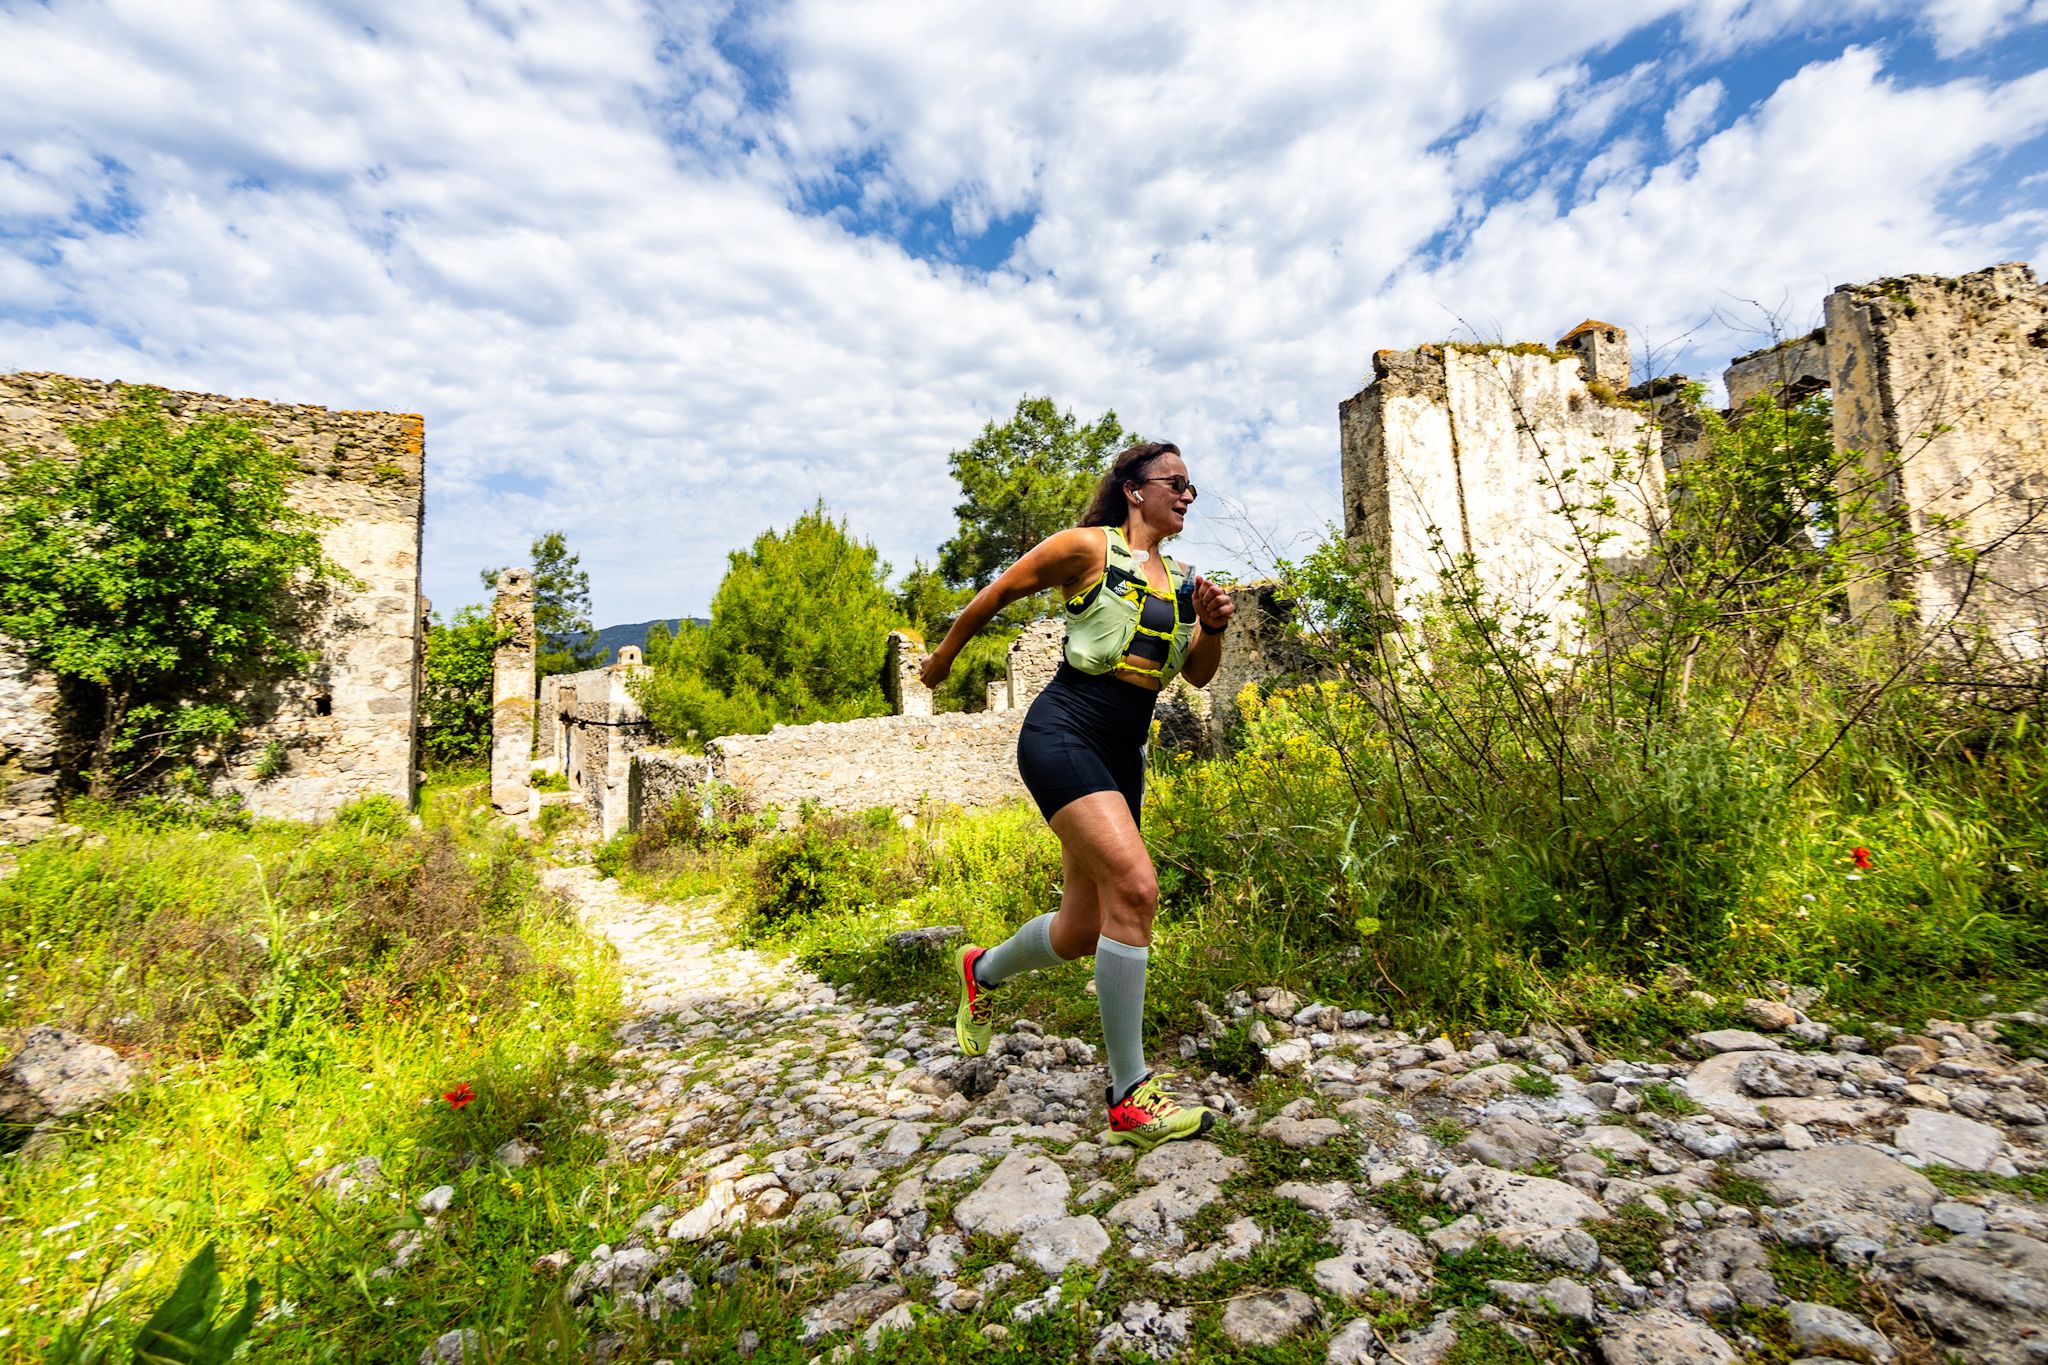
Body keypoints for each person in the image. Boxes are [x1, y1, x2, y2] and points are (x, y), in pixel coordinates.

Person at [918, 441, 1234, 1151]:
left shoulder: (1184, 579)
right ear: (1134, 488)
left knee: (1082, 929)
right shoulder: (1088, 549)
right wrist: (942, 657)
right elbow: (998, 592)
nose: (1188, 496)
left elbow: (1201, 677)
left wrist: (1211, 624)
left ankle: (981, 969)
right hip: (1063, 732)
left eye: (1193, 488)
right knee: (1138, 887)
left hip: (1124, 752)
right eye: (1176, 483)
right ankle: (1130, 1095)